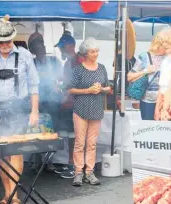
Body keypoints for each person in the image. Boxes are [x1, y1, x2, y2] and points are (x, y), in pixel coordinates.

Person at [0, 15, 39, 204]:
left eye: (7, 41)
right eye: (0, 42)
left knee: (15, 152)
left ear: (13, 37)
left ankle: (14, 196)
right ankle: (7, 195)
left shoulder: (25, 56)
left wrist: (34, 111)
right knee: (2, 154)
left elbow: (34, 86)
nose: (4, 45)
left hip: (18, 109)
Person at [68, 38, 111, 186]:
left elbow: (108, 87)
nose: (95, 54)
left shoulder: (102, 68)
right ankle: (78, 172)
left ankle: (89, 172)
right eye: (92, 51)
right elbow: (71, 89)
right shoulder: (78, 69)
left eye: (97, 51)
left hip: (96, 109)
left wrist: (101, 89)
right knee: (80, 143)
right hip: (80, 109)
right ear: (85, 53)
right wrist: (88, 90)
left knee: (92, 143)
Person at [53, 34, 84, 179]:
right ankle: (69, 162)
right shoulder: (67, 63)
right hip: (67, 103)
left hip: (77, 103)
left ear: (69, 46)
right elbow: (66, 81)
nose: (60, 51)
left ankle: (74, 165)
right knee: (67, 133)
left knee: (74, 135)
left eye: (61, 48)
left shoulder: (80, 61)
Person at [127, 31, 166, 120]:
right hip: (148, 101)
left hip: (165, 101)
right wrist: (145, 71)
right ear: (159, 43)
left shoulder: (170, 57)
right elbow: (129, 77)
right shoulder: (145, 56)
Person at [154, 27, 171, 120]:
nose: (163, 44)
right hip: (164, 104)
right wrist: (157, 109)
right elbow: (161, 87)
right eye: (162, 42)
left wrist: (166, 110)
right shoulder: (166, 61)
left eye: (165, 42)